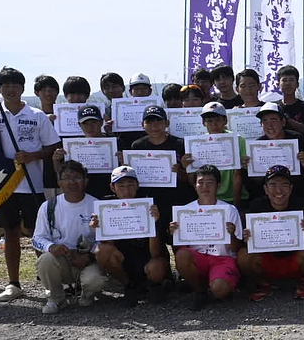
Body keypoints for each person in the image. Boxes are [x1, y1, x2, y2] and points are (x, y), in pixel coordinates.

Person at [0, 67, 61, 302]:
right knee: (9, 232)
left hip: (32, 184)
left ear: (22, 88)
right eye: (5, 86)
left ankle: (48, 281)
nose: (11, 90)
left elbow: (52, 146)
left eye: (15, 85)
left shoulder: (37, 115)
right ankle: (14, 283)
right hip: (3, 186)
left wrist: (32, 156)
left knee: (37, 232)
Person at [31, 160, 108, 314]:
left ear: (85, 181)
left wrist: (89, 254)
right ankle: (57, 299)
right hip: (62, 260)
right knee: (45, 260)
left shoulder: (97, 204)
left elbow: (105, 238)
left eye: (77, 177)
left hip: (87, 261)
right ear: (60, 183)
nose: (72, 182)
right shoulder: (48, 206)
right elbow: (37, 238)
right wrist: (51, 247)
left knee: (95, 280)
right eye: (67, 178)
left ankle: (87, 294)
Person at [238, 165, 304, 301]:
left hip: (295, 258)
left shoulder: (303, 205)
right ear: (265, 189)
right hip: (268, 259)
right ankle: (262, 284)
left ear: (290, 188)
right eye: (272, 185)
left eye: (284, 185)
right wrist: (247, 237)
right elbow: (246, 242)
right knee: (243, 255)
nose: (278, 190)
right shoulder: (256, 206)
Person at [90, 165, 171, 307]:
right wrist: (98, 228)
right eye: (121, 186)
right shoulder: (105, 207)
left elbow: (156, 252)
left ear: (137, 185)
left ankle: (153, 285)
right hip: (123, 259)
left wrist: (155, 223)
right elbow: (107, 246)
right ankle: (129, 286)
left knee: (156, 265)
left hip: (148, 259)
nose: (126, 191)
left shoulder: (149, 205)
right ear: (112, 187)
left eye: (130, 185)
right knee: (101, 250)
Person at [170, 164, 244, 310]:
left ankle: (218, 286)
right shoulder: (185, 211)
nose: (205, 187)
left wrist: (231, 234)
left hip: (223, 259)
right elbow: (180, 249)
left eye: (210, 183)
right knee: (182, 255)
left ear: (218, 185)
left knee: (220, 289)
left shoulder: (229, 210)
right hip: (199, 258)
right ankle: (199, 291)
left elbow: (236, 248)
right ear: (195, 185)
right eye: (200, 182)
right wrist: (174, 233)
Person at [129, 105, 193, 239]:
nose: (154, 126)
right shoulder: (137, 146)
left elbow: (190, 180)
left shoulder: (180, 144)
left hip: (177, 199)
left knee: (176, 237)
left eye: (158, 121)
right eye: (149, 122)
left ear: (167, 123)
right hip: (151, 200)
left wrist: (180, 171)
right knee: (155, 237)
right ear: (142, 125)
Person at [181, 101, 246, 211]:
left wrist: (236, 203)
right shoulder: (197, 143)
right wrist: (186, 167)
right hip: (207, 198)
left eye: (218, 120)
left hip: (233, 197)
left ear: (225, 120)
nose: (214, 124)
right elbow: (195, 178)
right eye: (209, 121)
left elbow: (237, 174)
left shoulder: (237, 139)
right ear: (203, 123)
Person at [52, 104, 113, 199]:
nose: (90, 126)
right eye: (85, 123)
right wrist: (56, 160)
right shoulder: (73, 146)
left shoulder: (115, 142)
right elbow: (62, 173)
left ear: (101, 122)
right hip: (84, 195)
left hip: (110, 193)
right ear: (79, 125)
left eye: (93, 122)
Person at [34, 74, 62, 201]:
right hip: (42, 172)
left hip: (65, 172)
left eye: (52, 89)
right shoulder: (33, 117)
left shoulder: (66, 115)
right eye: (44, 90)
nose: (48, 93)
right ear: (37, 92)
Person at [277, 65, 304, 137]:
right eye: (284, 80)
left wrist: (284, 117)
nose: (288, 83)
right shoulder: (274, 106)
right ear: (278, 85)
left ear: (297, 84)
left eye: (291, 80)